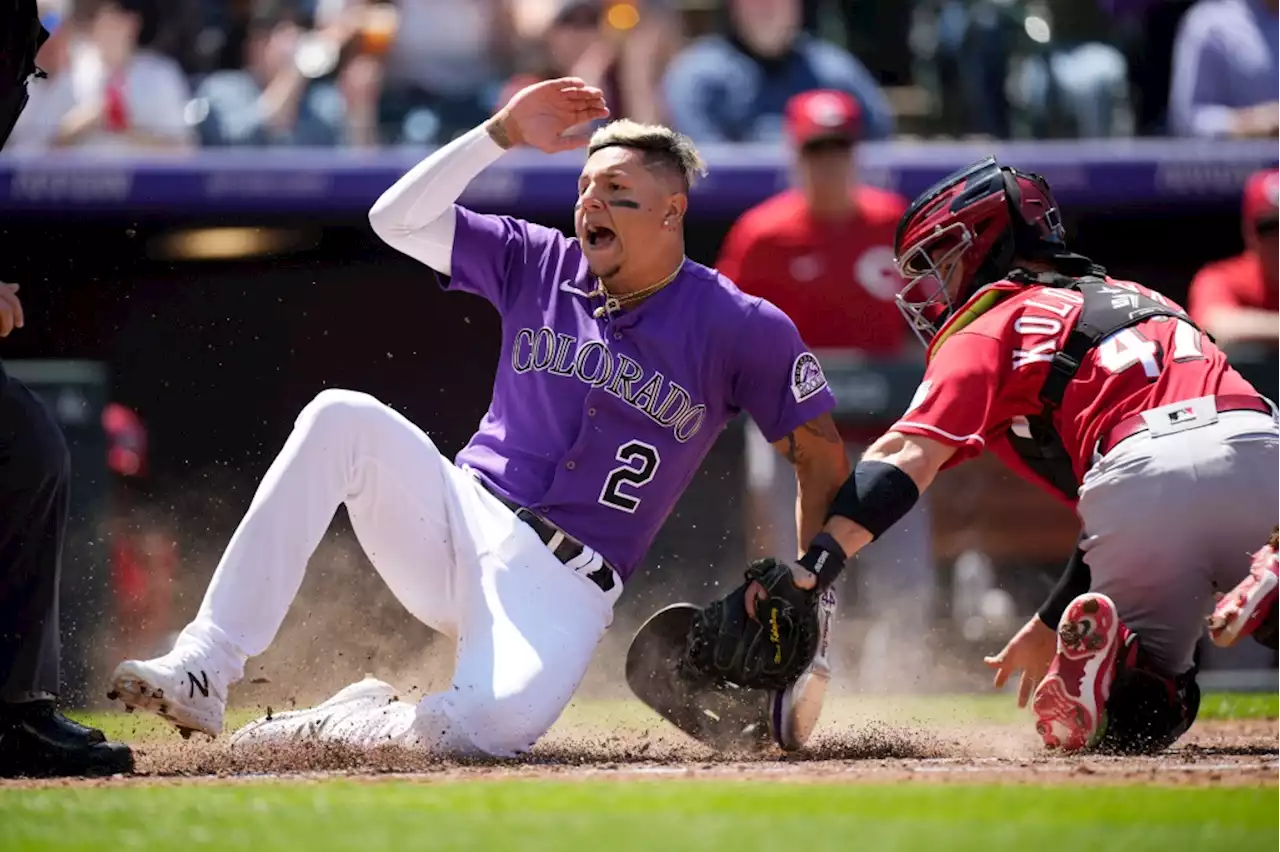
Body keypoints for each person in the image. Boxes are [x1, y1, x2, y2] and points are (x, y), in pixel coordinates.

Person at [108, 78, 850, 758]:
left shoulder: (738, 324)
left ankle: (335, 723)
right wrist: (497, 133)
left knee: (476, 733)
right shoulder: (538, 259)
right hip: (457, 516)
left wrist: (818, 588)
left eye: (617, 191)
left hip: (563, 588)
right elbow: (393, 218)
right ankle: (206, 662)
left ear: (672, 209)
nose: (591, 204)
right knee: (341, 416)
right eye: (585, 188)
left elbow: (818, 451)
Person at [740, 156, 1280, 755]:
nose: (933, 287)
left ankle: (1119, 664)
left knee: (1150, 713)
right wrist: (1051, 620)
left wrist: (818, 562)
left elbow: (904, 454)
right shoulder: (1147, 296)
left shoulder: (990, 321)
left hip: (1133, 479)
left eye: (940, 260)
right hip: (1256, 445)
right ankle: (1270, 582)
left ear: (985, 244)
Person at [716, 89, 934, 691]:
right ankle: (786, 678)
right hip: (794, 439)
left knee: (903, 582)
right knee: (793, 570)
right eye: (816, 151)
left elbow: (935, 333)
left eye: (839, 149)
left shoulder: (894, 223)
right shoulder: (763, 235)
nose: (829, 164)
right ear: (795, 154)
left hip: (886, 440)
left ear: (857, 152)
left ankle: (896, 700)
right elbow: (732, 342)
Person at [661, 0, 894, 143]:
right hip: (726, 219)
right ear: (732, 5)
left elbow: (878, 147)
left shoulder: (836, 70)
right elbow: (703, 171)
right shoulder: (694, 76)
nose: (769, 5)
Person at [1187, 168, 1280, 351]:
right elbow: (1213, 327)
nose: (1278, 240)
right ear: (1248, 232)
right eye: (1270, 228)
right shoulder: (1223, 277)